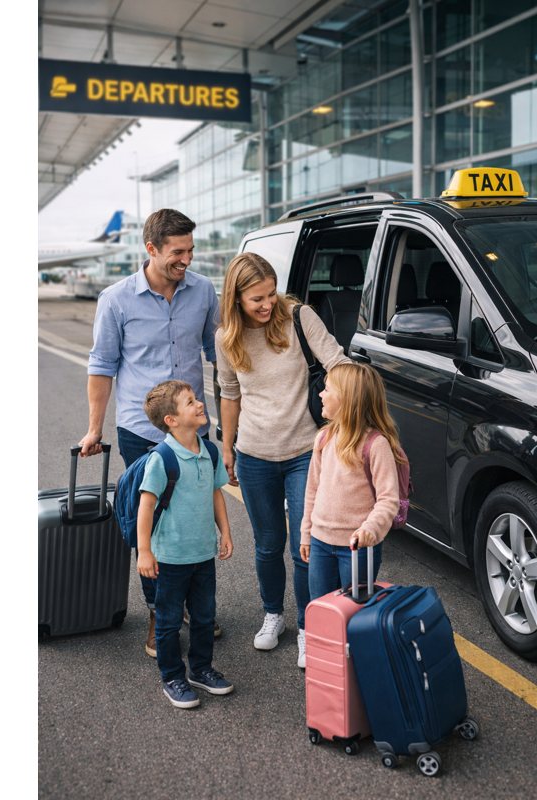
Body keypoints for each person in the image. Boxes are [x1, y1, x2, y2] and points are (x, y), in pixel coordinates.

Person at [78, 208, 222, 655]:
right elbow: (102, 367)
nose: (187, 260)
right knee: (153, 523)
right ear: (152, 248)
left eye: (191, 250)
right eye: (178, 252)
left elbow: (219, 353)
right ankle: (160, 613)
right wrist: (94, 428)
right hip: (141, 432)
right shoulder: (116, 300)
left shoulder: (203, 291)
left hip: (191, 433)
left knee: (192, 520)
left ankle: (191, 607)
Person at [215, 252, 350, 668]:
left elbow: (339, 364)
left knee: (304, 546)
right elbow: (230, 394)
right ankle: (273, 613)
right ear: (236, 299)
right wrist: (227, 448)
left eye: (271, 294)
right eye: (256, 298)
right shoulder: (226, 338)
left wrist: (345, 418)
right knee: (268, 544)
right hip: (254, 454)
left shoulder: (299, 317)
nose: (267, 304)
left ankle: (310, 626)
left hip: (305, 451)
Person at [136, 380, 234, 709]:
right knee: (168, 621)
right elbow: (146, 506)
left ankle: (201, 669)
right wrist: (145, 551)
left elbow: (215, 493)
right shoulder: (162, 458)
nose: (199, 403)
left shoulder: (209, 451)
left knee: (205, 617)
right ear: (172, 420)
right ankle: (173, 676)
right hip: (170, 558)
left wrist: (225, 532)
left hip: (203, 553)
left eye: (195, 398)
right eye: (190, 401)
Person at [300, 363, 403, 624]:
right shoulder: (324, 438)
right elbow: (312, 489)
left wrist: (371, 529)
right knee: (321, 611)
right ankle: (322, 650)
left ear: (347, 400)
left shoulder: (375, 445)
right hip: (320, 542)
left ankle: (353, 653)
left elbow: (388, 499)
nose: (320, 394)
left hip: (357, 548)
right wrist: (306, 533)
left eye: (327, 389)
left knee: (354, 618)